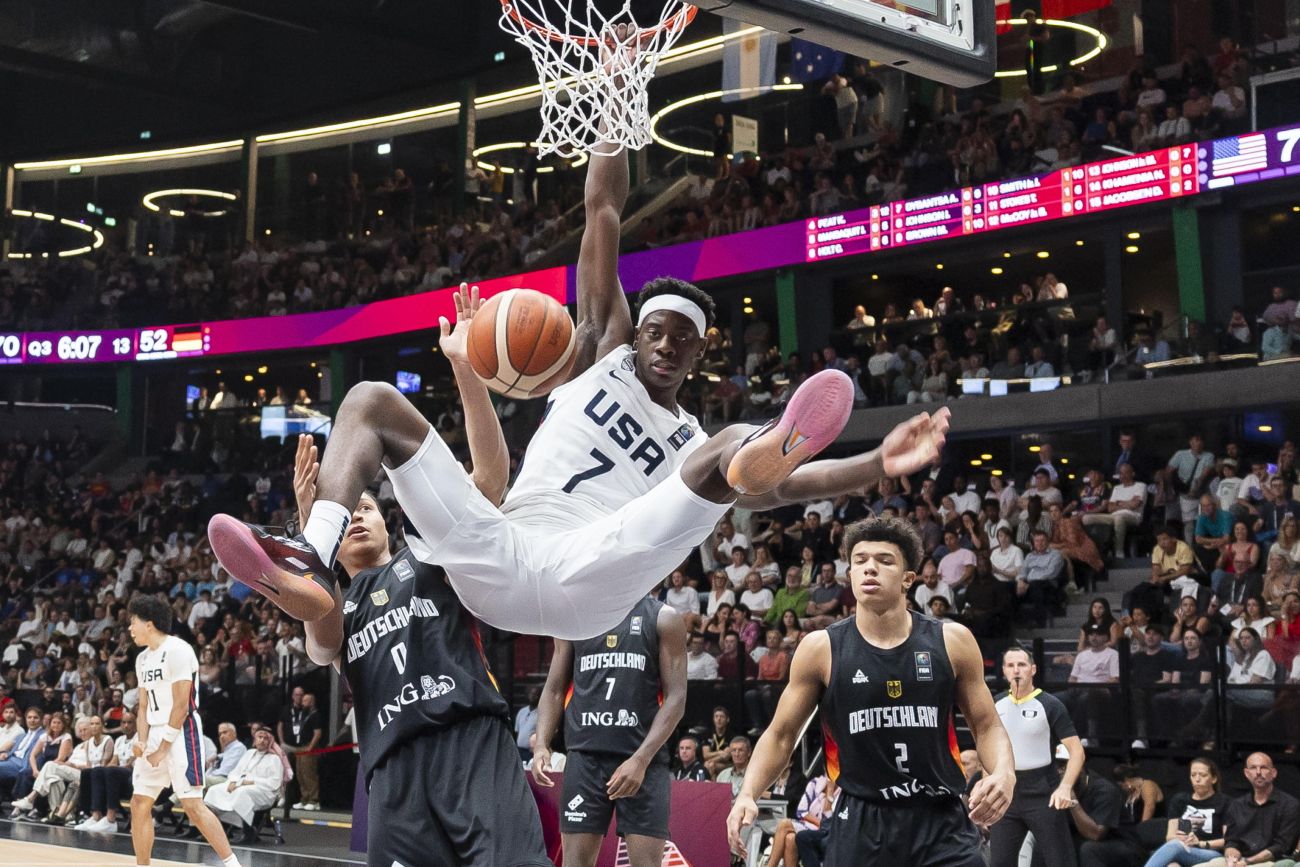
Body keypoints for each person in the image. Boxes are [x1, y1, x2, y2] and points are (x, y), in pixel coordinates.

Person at [207, 144, 952, 643]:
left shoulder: (692, 438)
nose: (664, 345)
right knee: (371, 400)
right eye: (655, 330)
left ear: (700, 351)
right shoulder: (602, 352)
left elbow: (789, 491)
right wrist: (613, 106)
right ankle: (312, 555)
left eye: (681, 339)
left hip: (592, 570)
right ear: (636, 331)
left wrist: (875, 464)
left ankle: (774, 442)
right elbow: (603, 211)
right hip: (499, 554)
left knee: (727, 454)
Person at [288, 427, 550, 866]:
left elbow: (489, 481)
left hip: (469, 741)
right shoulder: (338, 608)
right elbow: (320, 645)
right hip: (394, 770)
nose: (355, 517)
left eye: (365, 507)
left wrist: (468, 383)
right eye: (344, 515)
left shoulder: (426, 558)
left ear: (385, 523)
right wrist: (313, 528)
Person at [726, 516, 1015, 865]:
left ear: (908, 578)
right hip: (862, 819)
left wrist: (1004, 773)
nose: (870, 568)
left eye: (885, 560)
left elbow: (987, 725)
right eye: (860, 560)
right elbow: (782, 734)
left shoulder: (951, 640)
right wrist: (748, 792)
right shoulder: (821, 649)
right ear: (850, 574)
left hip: (940, 819)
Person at [531, 598, 687, 867]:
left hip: (643, 761)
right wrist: (542, 744)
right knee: (574, 864)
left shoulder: (664, 618)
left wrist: (640, 759)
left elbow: (677, 698)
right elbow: (554, 688)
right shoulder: (574, 617)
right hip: (585, 759)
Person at [125, 595, 242, 867]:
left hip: (181, 732)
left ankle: (232, 864)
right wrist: (142, 741)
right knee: (139, 803)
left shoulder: (178, 650)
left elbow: (181, 706)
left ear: (149, 624)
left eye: (133, 622)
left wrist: (162, 748)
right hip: (154, 731)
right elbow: (143, 707)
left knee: (193, 806)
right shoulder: (142, 659)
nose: (130, 628)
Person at [990, 645, 1086, 867]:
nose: (1016, 670)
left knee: (1060, 861)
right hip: (1006, 793)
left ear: (1033, 669)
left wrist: (1065, 787)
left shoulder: (1050, 704)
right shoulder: (995, 703)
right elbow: (987, 748)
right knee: (999, 862)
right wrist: (988, 784)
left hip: (1043, 791)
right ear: (1003, 670)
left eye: (1021, 665)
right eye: (1011, 665)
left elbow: (1077, 751)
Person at [1201, 753, 1300, 867]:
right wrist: (1232, 858)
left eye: (1263, 767)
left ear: (1273, 773)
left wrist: (1247, 862)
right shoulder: (1237, 805)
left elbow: (1281, 847)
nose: (1258, 772)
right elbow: (1231, 841)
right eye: (1253, 768)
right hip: (1240, 859)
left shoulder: (1290, 805)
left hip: (1270, 861)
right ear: (1246, 773)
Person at [1141, 758, 1228, 867]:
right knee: (1172, 865)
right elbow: (1170, 836)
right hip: (1182, 848)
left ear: (1214, 778)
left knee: (1175, 846)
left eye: (1203, 775)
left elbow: (1228, 841)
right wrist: (1183, 839)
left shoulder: (1225, 802)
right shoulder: (1180, 800)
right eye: (1193, 775)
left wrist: (1199, 843)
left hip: (1210, 851)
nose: (1197, 779)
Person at [203, 728, 284, 844]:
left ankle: (248, 832)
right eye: (259, 737)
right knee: (214, 790)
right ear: (255, 740)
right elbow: (235, 772)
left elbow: (274, 783)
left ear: (270, 741)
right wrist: (233, 781)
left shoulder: (274, 759)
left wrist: (250, 781)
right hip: (241, 785)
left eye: (265, 738)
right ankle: (216, 830)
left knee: (242, 793)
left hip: (265, 792)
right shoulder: (249, 753)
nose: (262, 740)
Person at [278, 686, 321, 811]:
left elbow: (318, 733)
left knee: (309, 774)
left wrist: (310, 747)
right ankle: (304, 798)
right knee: (300, 774)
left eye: (305, 700)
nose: (302, 702)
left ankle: (314, 800)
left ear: (311, 702)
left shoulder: (315, 715)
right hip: (300, 747)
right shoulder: (303, 713)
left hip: (308, 747)